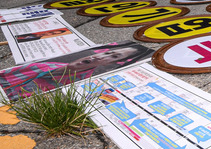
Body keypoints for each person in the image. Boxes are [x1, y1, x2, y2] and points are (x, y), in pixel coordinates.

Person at [0, 46, 142, 100]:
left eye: (113, 56)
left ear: (110, 64)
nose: (102, 57)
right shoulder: (42, 65)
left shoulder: (81, 83)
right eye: (109, 52)